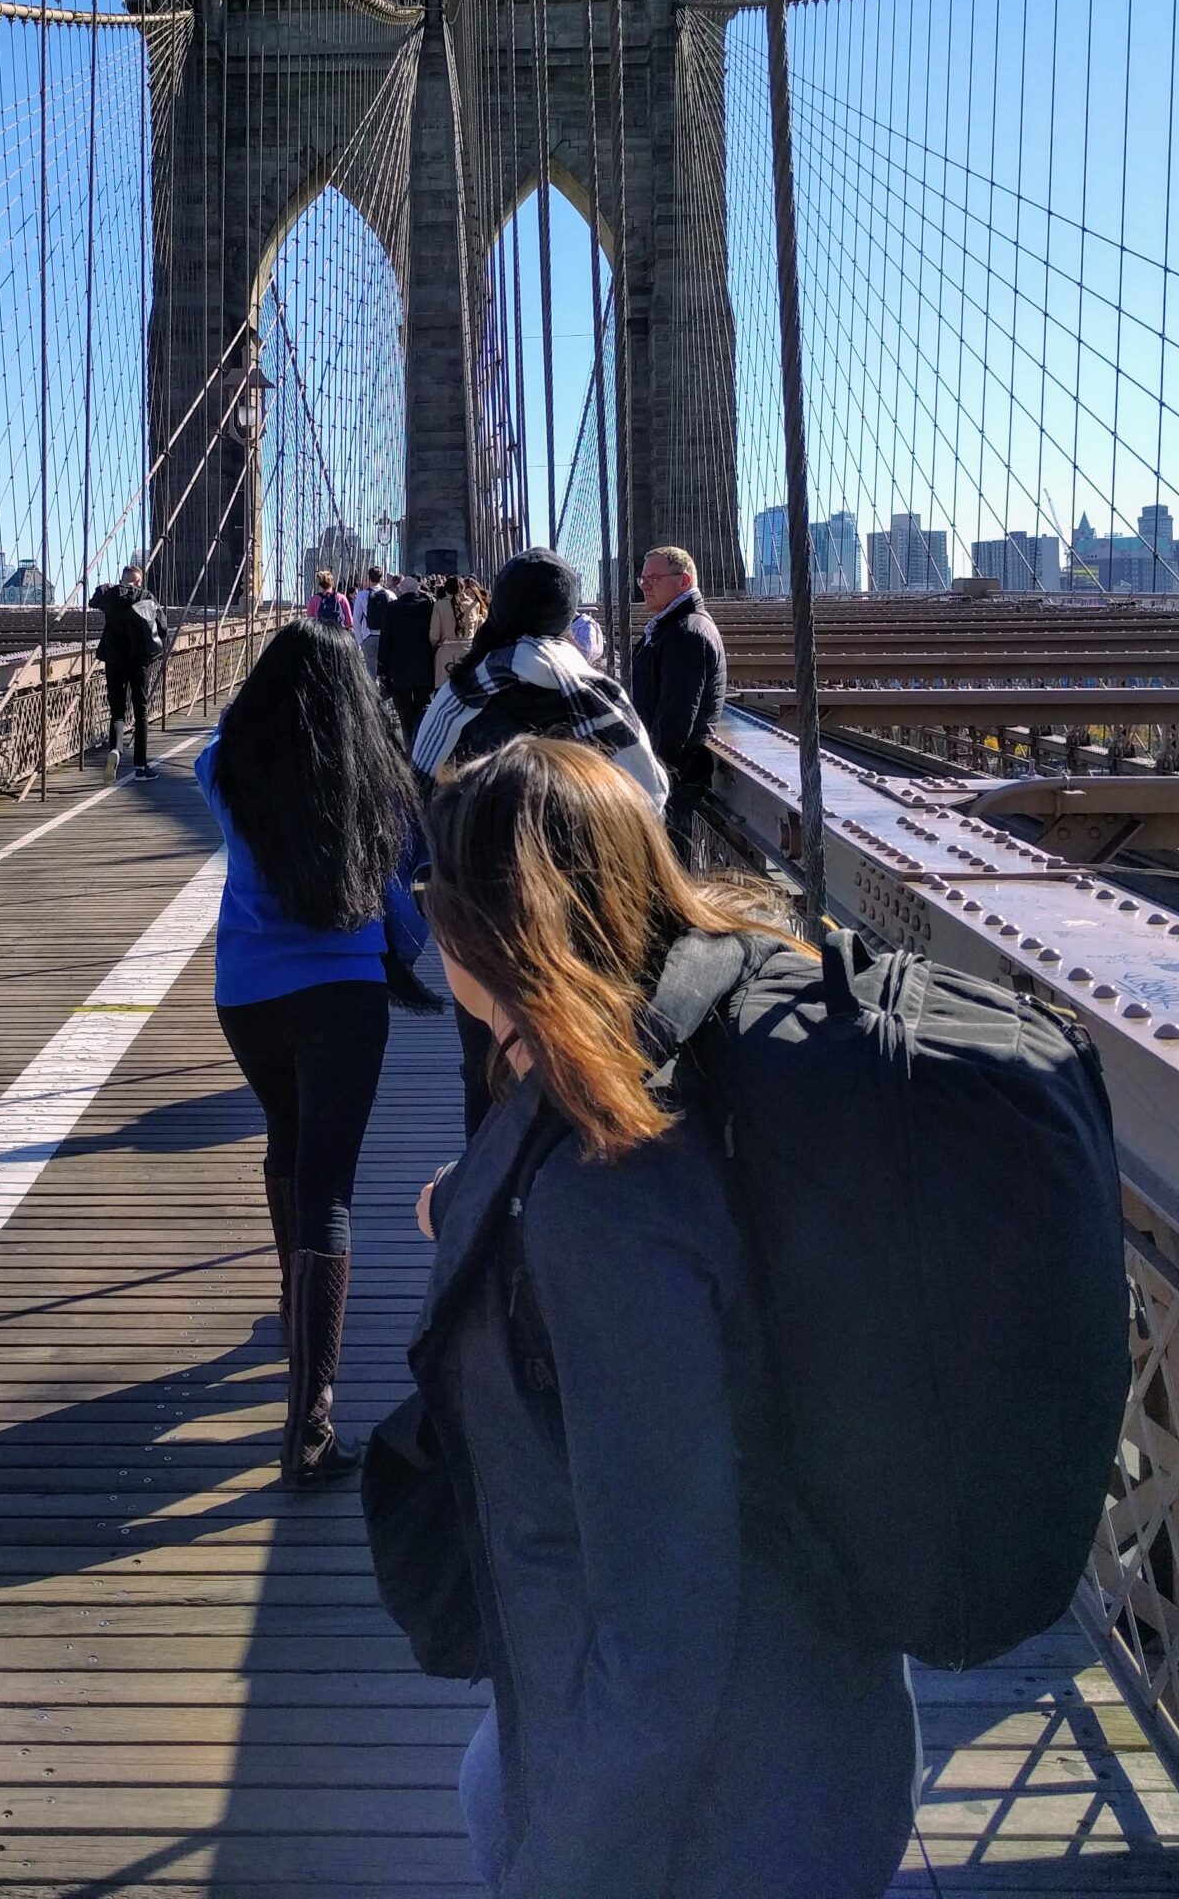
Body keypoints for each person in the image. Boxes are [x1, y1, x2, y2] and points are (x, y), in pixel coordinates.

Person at [410, 739, 918, 1899]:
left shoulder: (603, 1198)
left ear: (491, 931)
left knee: (494, 1805)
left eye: (436, 899)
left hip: (713, 1813)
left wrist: (565, 1869)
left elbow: (663, 1633)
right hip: (821, 1713)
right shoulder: (701, 1033)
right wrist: (490, 1221)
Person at [195, 619, 428, 1487]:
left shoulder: (226, 767)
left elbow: (213, 743)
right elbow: (408, 859)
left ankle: (298, 1307)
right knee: (330, 1184)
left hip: (247, 996)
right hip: (344, 996)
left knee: (285, 1146)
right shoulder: (373, 778)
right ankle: (311, 1427)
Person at [412, 548, 667, 1136]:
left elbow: (423, 799)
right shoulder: (600, 697)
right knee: (592, 1061)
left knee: (485, 1066)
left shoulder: (458, 698)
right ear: (565, 616)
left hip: (481, 916)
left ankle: (482, 1204)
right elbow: (648, 799)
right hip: (589, 917)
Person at [630, 544, 729, 861]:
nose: (645, 585)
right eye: (642, 579)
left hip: (672, 782)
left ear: (684, 581)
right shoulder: (673, 627)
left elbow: (675, 722)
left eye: (654, 578)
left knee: (668, 870)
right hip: (670, 779)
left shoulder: (686, 633)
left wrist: (649, 774)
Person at [90, 563, 168, 779]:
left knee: (117, 711)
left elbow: (92, 602)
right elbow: (162, 628)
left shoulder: (111, 594)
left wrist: (104, 587)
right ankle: (141, 768)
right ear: (139, 581)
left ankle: (115, 749)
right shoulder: (146, 596)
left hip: (114, 660)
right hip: (139, 662)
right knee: (141, 711)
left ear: (123, 579)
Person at [377, 573, 438, 745]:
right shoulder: (428, 606)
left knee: (404, 712)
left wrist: (382, 668)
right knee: (423, 707)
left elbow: (385, 640)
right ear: (418, 589)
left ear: (400, 590)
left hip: (399, 669)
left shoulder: (392, 608)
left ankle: (408, 745)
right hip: (424, 667)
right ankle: (422, 744)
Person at [430, 572, 487, 686]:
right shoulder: (474, 605)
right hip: (468, 654)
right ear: (463, 588)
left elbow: (434, 636)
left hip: (446, 655)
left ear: (446, 589)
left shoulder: (439, 606)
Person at [353, 563, 395, 668]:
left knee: (371, 673)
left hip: (369, 636)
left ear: (369, 578)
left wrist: (360, 641)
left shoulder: (362, 595)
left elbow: (356, 620)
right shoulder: (390, 595)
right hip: (386, 637)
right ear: (382, 578)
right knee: (386, 670)